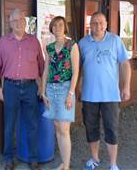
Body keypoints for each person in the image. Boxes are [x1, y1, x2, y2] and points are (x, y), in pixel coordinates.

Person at [78, 12, 131, 170]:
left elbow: (124, 64)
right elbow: (77, 67)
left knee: (111, 128)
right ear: (90, 25)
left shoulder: (115, 40)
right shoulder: (83, 43)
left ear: (106, 24)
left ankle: (113, 164)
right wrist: (77, 88)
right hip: (89, 95)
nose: (97, 26)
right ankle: (94, 159)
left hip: (110, 95)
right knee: (91, 128)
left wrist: (126, 86)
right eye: (94, 23)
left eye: (100, 22)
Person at [0, 9, 44, 170]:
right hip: (10, 87)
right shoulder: (3, 42)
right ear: (10, 23)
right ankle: (9, 159)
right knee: (10, 125)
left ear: (25, 21)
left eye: (21, 19)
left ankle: (33, 159)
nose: (18, 23)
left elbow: (42, 67)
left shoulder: (34, 41)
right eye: (14, 20)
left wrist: (42, 87)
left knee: (32, 124)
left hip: (30, 87)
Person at [41, 16, 79, 170]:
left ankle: (67, 165)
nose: (57, 27)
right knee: (57, 126)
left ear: (65, 27)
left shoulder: (72, 45)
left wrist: (70, 94)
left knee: (64, 128)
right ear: (51, 28)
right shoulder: (49, 47)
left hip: (65, 89)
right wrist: (43, 93)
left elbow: (76, 72)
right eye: (54, 25)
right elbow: (46, 70)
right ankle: (64, 162)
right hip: (51, 89)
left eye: (60, 25)